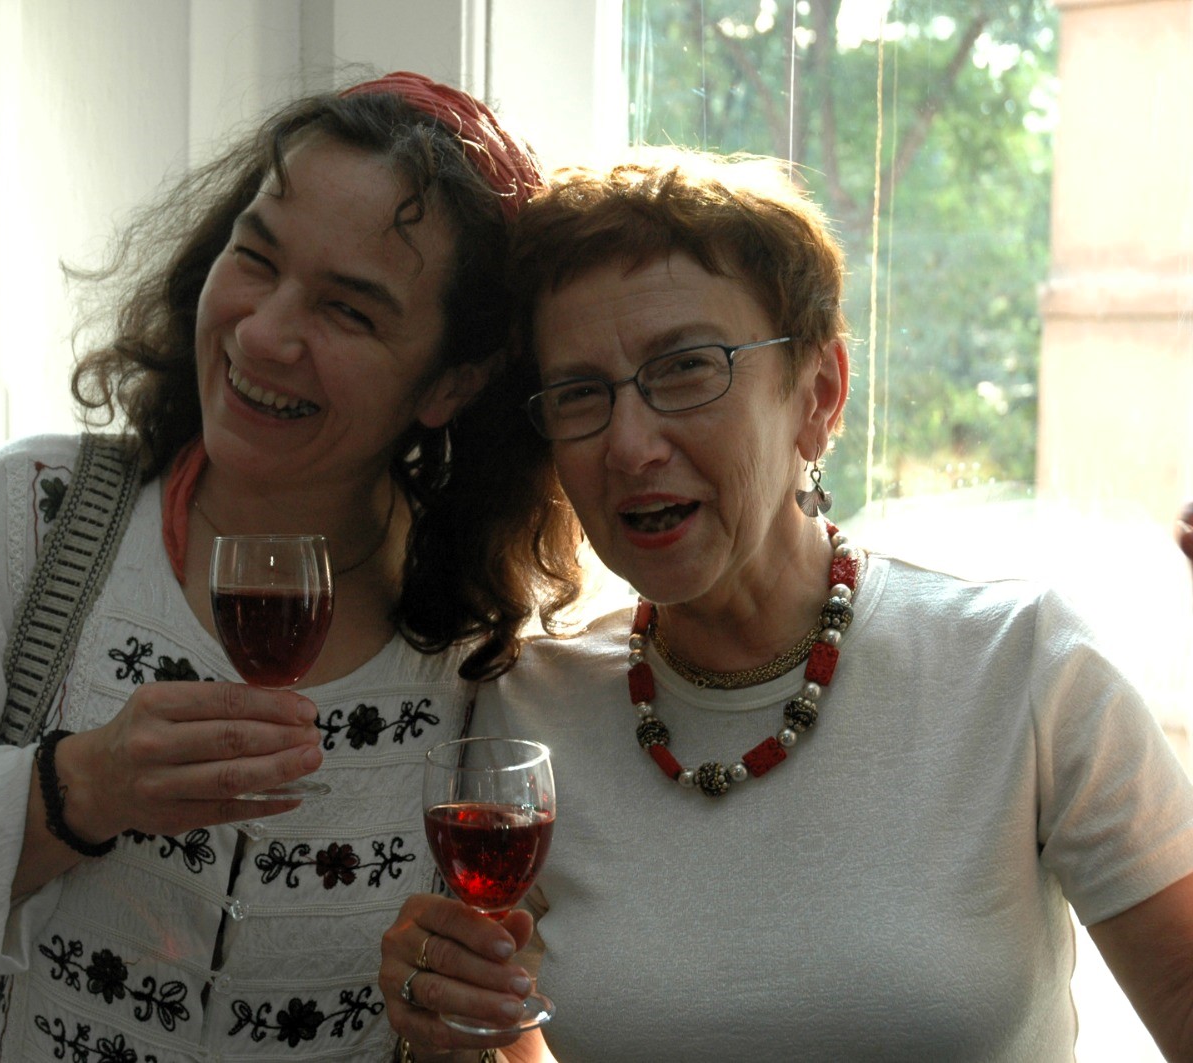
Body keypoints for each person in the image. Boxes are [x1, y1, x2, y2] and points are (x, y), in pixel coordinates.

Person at [0, 72, 581, 1063]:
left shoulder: (482, 648)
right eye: (255, 258)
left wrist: (463, 1024)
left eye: (348, 310)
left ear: (452, 382)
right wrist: (78, 787)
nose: (261, 333)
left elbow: (505, 1024)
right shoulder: (32, 514)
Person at [380, 150, 1193, 1061]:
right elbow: (512, 1037)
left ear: (819, 395)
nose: (630, 445)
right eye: (580, 394)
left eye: (687, 369)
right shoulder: (527, 710)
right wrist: (453, 1029)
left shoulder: (1022, 664)